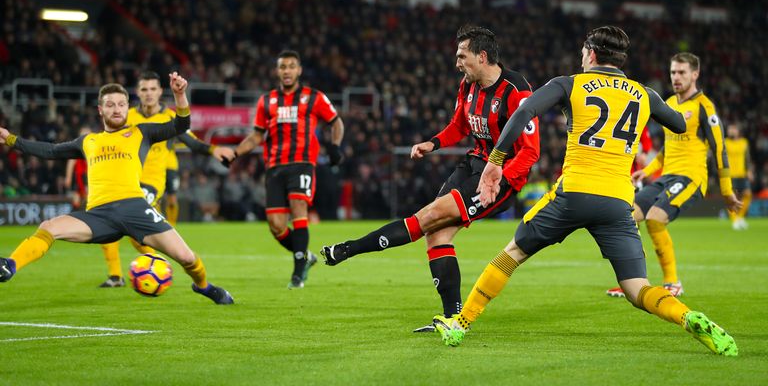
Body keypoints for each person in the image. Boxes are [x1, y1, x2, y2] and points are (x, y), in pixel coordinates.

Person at [432, 26, 738, 356]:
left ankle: (460, 322)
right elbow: (678, 124)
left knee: (513, 254)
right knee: (638, 288)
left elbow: (524, 111)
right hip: (618, 201)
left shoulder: (569, 83)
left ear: (591, 54)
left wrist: (495, 160)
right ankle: (687, 316)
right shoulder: (643, 93)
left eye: (582, 51)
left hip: (573, 193)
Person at [321, 25, 539, 331]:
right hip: (473, 164)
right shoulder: (467, 85)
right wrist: (432, 143)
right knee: (435, 235)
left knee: (429, 215)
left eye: (462, 56)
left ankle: (350, 248)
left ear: (483, 55)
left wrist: (498, 178)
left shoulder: (517, 91)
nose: (457, 63)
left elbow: (530, 152)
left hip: (500, 179)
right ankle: (453, 317)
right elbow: (459, 126)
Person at [0, 74, 234, 305]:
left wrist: (180, 95)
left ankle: (204, 287)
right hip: (99, 215)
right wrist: (11, 139)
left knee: (187, 258)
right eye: (110, 105)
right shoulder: (88, 141)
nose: (116, 109)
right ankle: (9, 266)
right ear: (100, 110)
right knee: (49, 227)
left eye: (121, 104)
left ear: (127, 108)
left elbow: (182, 125)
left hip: (136, 208)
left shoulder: (142, 132)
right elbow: (50, 151)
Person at [606, 52, 741, 298]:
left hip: (690, 178)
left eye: (681, 72)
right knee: (627, 217)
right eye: (672, 72)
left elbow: (720, 150)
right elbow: (668, 148)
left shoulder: (704, 107)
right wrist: (645, 172)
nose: (676, 77)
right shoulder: (668, 103)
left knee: (656, 219)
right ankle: (634, 283)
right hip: (666, 177)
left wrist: (727, 190)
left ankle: (672, 282)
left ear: (695, 74)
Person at [97, 71, 235, 288]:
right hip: (124, 180)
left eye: (153, 89)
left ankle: (158, 264)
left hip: (152, 181)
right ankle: (115, 275)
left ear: (161, 91)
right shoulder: (126, 116)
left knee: (136, 230)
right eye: (144, 89)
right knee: (107, 219)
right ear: (137, 92)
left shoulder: (170, 118)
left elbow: (190, 141)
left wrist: (214, 149)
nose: (149, 94)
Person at [226, 50, 344, 289]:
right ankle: (305, 255)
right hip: (275, 167)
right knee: (276, 225)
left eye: (291, 66)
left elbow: (336, 122)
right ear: (277, 71)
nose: (287, 71)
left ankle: (298, 272)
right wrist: (235, 152)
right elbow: (257, 135)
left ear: (299, 70)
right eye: (283, 67)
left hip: (302, 163)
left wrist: (334, 147)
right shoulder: (266, 101)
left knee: (299, 207)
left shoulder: (314, 97)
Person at [724, 123, 752, 230]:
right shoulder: (725, 142)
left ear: (738, 131)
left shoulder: (744, 142)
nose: (731, 131)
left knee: (748, 194)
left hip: (742, 173)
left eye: (733, 129)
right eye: (730, 129)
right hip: (730, 174)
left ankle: (739, 217)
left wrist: (749, 170)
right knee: (732, 198)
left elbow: (747, 158)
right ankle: (734, 220)